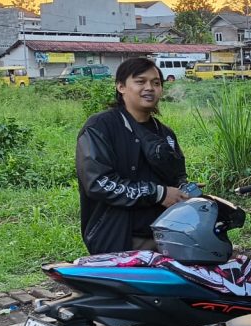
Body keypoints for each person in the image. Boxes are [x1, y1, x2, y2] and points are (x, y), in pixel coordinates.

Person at [75, 57, 189, 255]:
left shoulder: (165, 134)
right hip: (118, 237)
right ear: (121, 87)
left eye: (156, 83)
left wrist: (183, 192)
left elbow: (178, 178)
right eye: (140, 81)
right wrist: (158, 193)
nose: (150, 88)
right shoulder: (101, 127)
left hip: (166, 236)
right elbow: (98, 183)